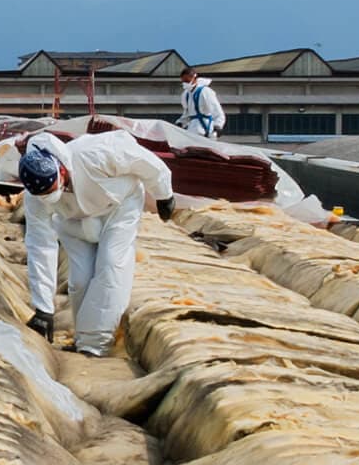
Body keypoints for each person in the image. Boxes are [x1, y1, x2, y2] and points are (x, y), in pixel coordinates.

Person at [16, 130, 176, 356]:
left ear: (61, 170)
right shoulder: (35, 200)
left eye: (51, 190)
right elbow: (40, 245)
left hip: (119, 207)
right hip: (74, 220)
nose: (46, 197)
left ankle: (95, 346)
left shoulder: (94, 155)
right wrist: (43, 309)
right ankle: (83, 339)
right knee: (80, 280)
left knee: (111, 265)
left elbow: (143, 160)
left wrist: (164, 194)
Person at [180, 66, 225, 138]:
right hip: (191, 130)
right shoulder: (186, 94)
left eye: (187, 81)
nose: (185, 83)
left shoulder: (205, 91)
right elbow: (187, 114)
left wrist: (218, 126)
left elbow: (217, 111)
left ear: (194, 78)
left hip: (205, 130)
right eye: (183, 81)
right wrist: (180, 123)